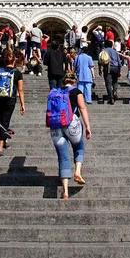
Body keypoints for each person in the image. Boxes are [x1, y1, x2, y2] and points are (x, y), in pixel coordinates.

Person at [49, 71, 92, 200]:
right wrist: (88, 127)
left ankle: (65, 191)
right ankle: (77, 172)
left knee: (63, 158)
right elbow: (82, 108)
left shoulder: (55, 92)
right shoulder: (76, 92)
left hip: (55, 125)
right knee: (78, 147)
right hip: (72, 122)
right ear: (74, 81)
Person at [0, 51, 25, 154]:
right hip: (9, 99)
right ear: (14, 60)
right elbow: (20, 90)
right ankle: (0, 146)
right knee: (5, 121)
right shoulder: (17, 73)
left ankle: (4, 139)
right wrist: (22, 104)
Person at [102, 39, 122, 104]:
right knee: (115, 81)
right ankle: (115, 91)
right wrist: (120, 70)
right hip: (116, 68)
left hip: (107, 68)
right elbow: (119, 62)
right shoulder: (115, 51)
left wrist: (99, 69)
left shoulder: (104, 51)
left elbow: (100, 60)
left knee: (108, 83)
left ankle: (111, 98)